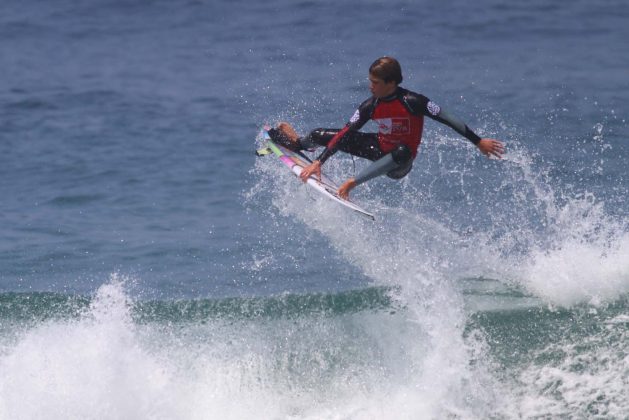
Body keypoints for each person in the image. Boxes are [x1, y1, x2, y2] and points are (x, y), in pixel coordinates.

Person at [268, 57, 504, 199]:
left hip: (399, 164)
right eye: (370, 81)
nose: (370, 87)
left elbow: (449, 118)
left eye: (375, 83)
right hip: (378, 147)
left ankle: (352, 183)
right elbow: (345, 132)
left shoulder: (414, 102)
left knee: (402, 151)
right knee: (321, 134)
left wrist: (478, 141)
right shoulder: (370, 106)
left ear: (391, 83)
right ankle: (297, 143)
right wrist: (320, 161)